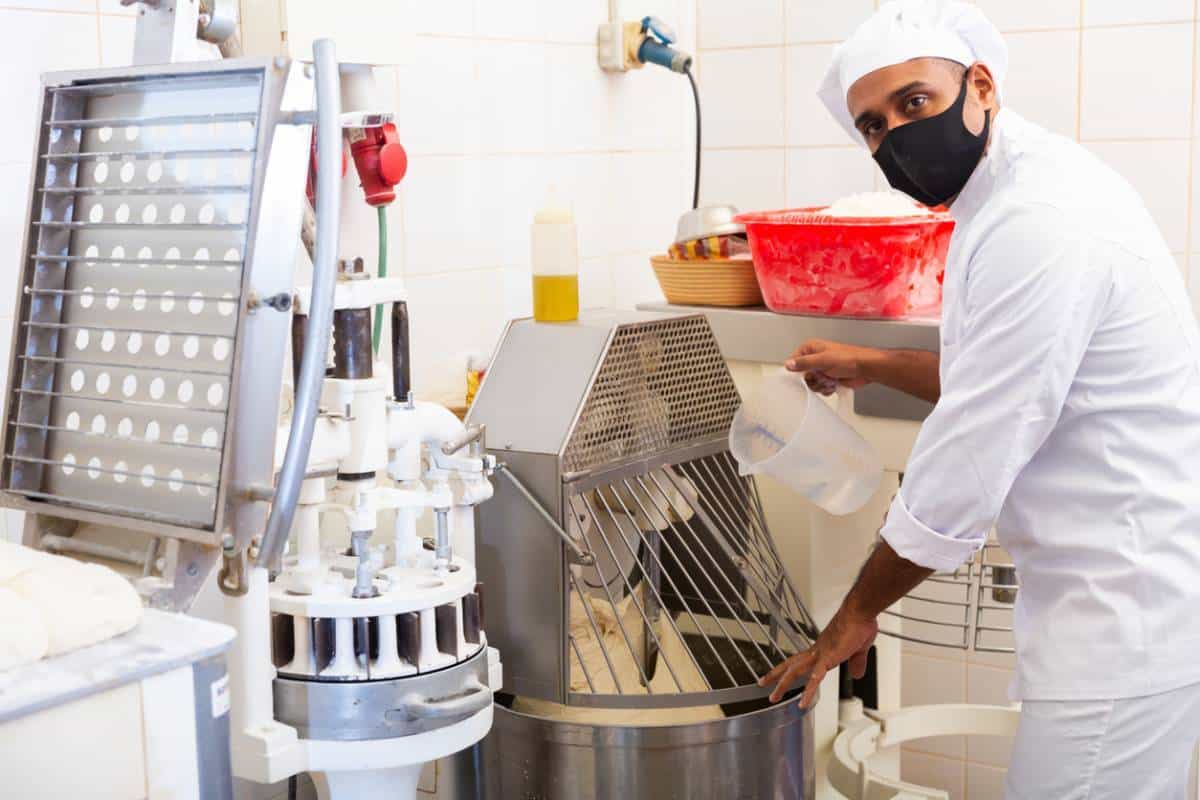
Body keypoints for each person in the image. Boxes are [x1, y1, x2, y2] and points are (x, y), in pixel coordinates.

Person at [758, 1, 1200, 797]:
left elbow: (971, 455)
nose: (895, 135)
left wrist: (857, 612)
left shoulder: (1040, 219)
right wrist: (873, 363)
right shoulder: (1008, 196)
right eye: (872, 126)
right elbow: (1016, 375)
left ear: (982, 86)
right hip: (1107, 604)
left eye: (913, 103)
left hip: (1123, 614)